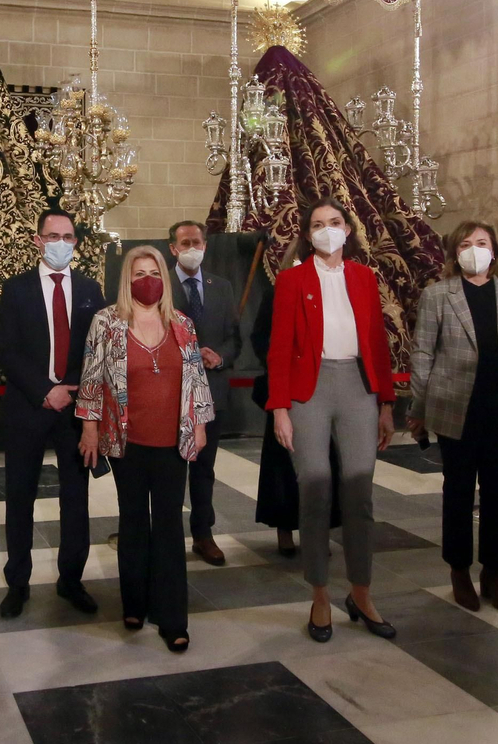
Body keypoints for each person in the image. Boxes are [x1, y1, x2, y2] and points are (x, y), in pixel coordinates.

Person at [267, 198, 396, 642]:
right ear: (307, 234)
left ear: (347, 228)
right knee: (315, 486)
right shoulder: (291, 280)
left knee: (359, 491)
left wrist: (386, 402)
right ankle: (319, 593)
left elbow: (377, 341)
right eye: (318, 224)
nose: (327, 230)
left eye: (335, 222)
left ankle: (361, 592)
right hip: (310, 389)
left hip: (359, 387)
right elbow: (279, 347)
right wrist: (280, 408)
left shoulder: (363, 277)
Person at [77, 246, 215, 651]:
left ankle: (173, 617)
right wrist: (88, 429)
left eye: (153, 272)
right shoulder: (106, 323)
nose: (147, 280)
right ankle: (134, 604)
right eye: (138, 273)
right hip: (126, 441)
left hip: (174, 440)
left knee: (170, 525)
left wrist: (202, 424)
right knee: (134, 522)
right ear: (126, 279)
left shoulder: (183, 324)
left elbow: (197, 380)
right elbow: (90, 379)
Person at [408, 222, 498, 615]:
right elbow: (423, 354)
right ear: (454, 253)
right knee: (459, 491)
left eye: (481, 243)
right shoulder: (438, 295)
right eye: (466, 244)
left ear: (494, 250)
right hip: (455, 406)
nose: (474, 249)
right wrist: (419, 406)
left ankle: (495, 573)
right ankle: (460, 570)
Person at [0, 208, 107, 619]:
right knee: (19, 496)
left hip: (75, 410)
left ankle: (71, 579)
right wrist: (45, 391)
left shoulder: (91, 289)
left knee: (75, 497)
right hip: (29, 405)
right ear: (38, 240)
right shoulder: (16, 289)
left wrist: (70, 391)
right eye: (53, 236)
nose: (61, 243)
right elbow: (8, 349)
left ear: (75, 242)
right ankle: (17, 583)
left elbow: (96, 349)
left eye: (68, 236)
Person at [250, 244, 341, 556]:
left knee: (324, 463)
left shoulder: (334, 292)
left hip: (324, 385)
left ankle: (318, 530)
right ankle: (285, 529)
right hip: (285, 389)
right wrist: (283, 365)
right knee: (282, 463)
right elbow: (260, 336)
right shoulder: (277, 292)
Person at [168, 221, 242, 566]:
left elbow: (234, 338)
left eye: (197, 241)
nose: (192, 247)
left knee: (203, 469)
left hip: (210, 393)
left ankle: (203, 533)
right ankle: (166, 535)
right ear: (173, 248)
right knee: (169, 470)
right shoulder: (160, 286)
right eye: (185, 242)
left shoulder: (221, 287)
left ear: (206, 245)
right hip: (169, 393)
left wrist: (221, 356)